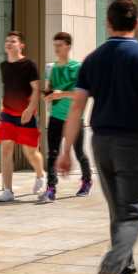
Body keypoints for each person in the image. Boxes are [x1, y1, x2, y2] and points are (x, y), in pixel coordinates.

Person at [56, 0, 138, 274]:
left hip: (101, 142)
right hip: (134, 142)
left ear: (107, 23)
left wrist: (65, 152)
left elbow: (77, 107)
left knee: (118, 212)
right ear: (136, 23)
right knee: (132, 214)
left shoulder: (93, 60)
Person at [41, 32, 91, 203]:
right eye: (55, 45)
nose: (56, 49)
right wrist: (47, 95)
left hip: (74, 118)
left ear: (68, 46)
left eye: (60, 45)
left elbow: (82, 94)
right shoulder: (51, 68)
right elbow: (49, 90)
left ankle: (86, 181)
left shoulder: (77, 68)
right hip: (55, 116)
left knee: (79, 153)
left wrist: (61, 94)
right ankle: (51, 188)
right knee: (52, 153)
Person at [0, 31, 47, 201]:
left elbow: (35, 89)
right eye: (7, 40)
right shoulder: (3, 66)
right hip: (8, 114)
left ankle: (40, 175)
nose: (9, 43)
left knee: (30, 152)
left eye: (13, 41)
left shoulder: (29, 64)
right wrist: (1, 106)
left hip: (26, 115)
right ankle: (8, 190)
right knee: (5, 150)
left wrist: (30, 108)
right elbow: (7, 88)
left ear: (21, 45)